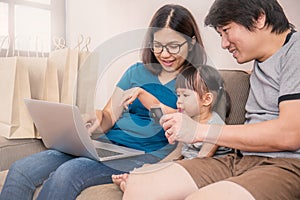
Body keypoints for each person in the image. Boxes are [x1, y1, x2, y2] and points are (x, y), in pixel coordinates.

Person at [0, 4, 207, 200]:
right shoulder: (135, 71)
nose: (164, 54)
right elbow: (109, 115)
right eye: (158, 45)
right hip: (106, 146)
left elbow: (186, 128)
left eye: (173, 46)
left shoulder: (195, 81)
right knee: (21, 169)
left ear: (191, 43)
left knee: (67, 173)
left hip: (141, 156)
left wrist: (149, 100)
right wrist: (96, 118)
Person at [122, 0, 300, 200]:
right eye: (220, 35)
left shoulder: (295, 51)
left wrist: (199, 130)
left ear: (259, 18)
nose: (223, 44)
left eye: (226, 30)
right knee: (140, 183)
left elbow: (290, 134)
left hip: (285, 163)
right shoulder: (261, 60)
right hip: (240, 159)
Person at [112, 64, 231, 191]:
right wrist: (155, 167)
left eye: (185, 95)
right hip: (186, 166)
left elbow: (202, 160)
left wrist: (171, 170)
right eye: (178, 95)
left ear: (206, 99)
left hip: (204, 171)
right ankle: (136, 184)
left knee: (163, 178)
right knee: (149, 170)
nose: (178, 101)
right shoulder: (185, 120)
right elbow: (178, 150)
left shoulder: (215, 125)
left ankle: (137, 187)